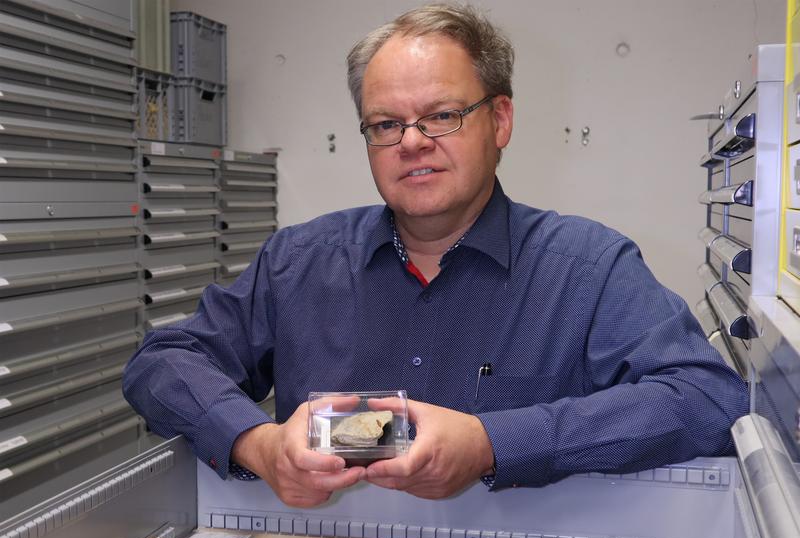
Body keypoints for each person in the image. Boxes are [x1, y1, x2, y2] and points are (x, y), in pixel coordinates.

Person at [123, 4, 748, 509]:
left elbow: (708, 399)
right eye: (385, 124)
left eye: (442, 116)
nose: (412, 143)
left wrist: (491, 443)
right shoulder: (299, 262)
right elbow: (162, 361)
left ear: (499, 120)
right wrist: (257, 444)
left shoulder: (589, 266)